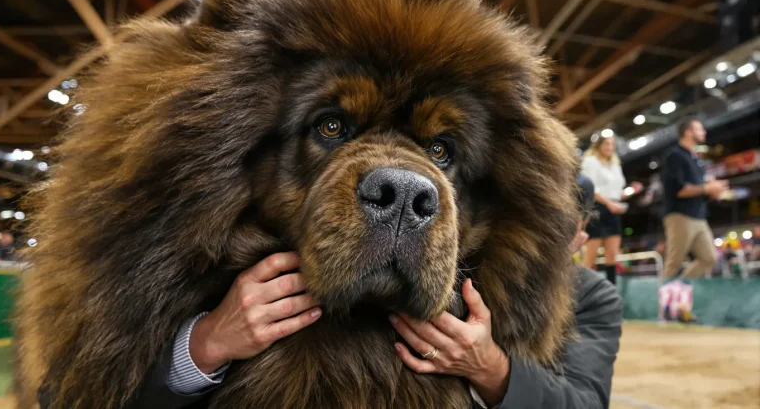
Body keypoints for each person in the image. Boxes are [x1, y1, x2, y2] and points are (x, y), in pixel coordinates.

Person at [38, 172, 621, 409]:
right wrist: (205, 344)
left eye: (442, 156)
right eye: (333, 130)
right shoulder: (236, 272)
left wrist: (490, 366)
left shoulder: (591, 296)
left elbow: (584, 405)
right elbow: (77, 393)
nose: (410, 192)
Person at [661, 119, 728, 279]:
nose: (704, 132)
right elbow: (679, 189)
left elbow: (697, 190)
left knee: (709, 258)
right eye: (700, 129)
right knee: (674, 262)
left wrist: (712, 191)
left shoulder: (696, 159)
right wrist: (707, 188)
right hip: (680, 216)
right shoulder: (675, 156)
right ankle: (665, 303)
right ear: (688, 132)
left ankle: (681, 289)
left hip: (699, 216)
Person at [580, 134, 642, 284]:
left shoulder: (615, 165)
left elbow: (617, 193)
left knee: (612, 256)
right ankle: (580, 292)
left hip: (614, 211)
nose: (609, 147)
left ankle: (611, 291)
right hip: (597, 209)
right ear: (599, 145)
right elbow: (591, 188)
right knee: (591, 255)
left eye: (612, 144)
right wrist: (609, 204)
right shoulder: (590, 162)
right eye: (606, 144)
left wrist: (631, 191)